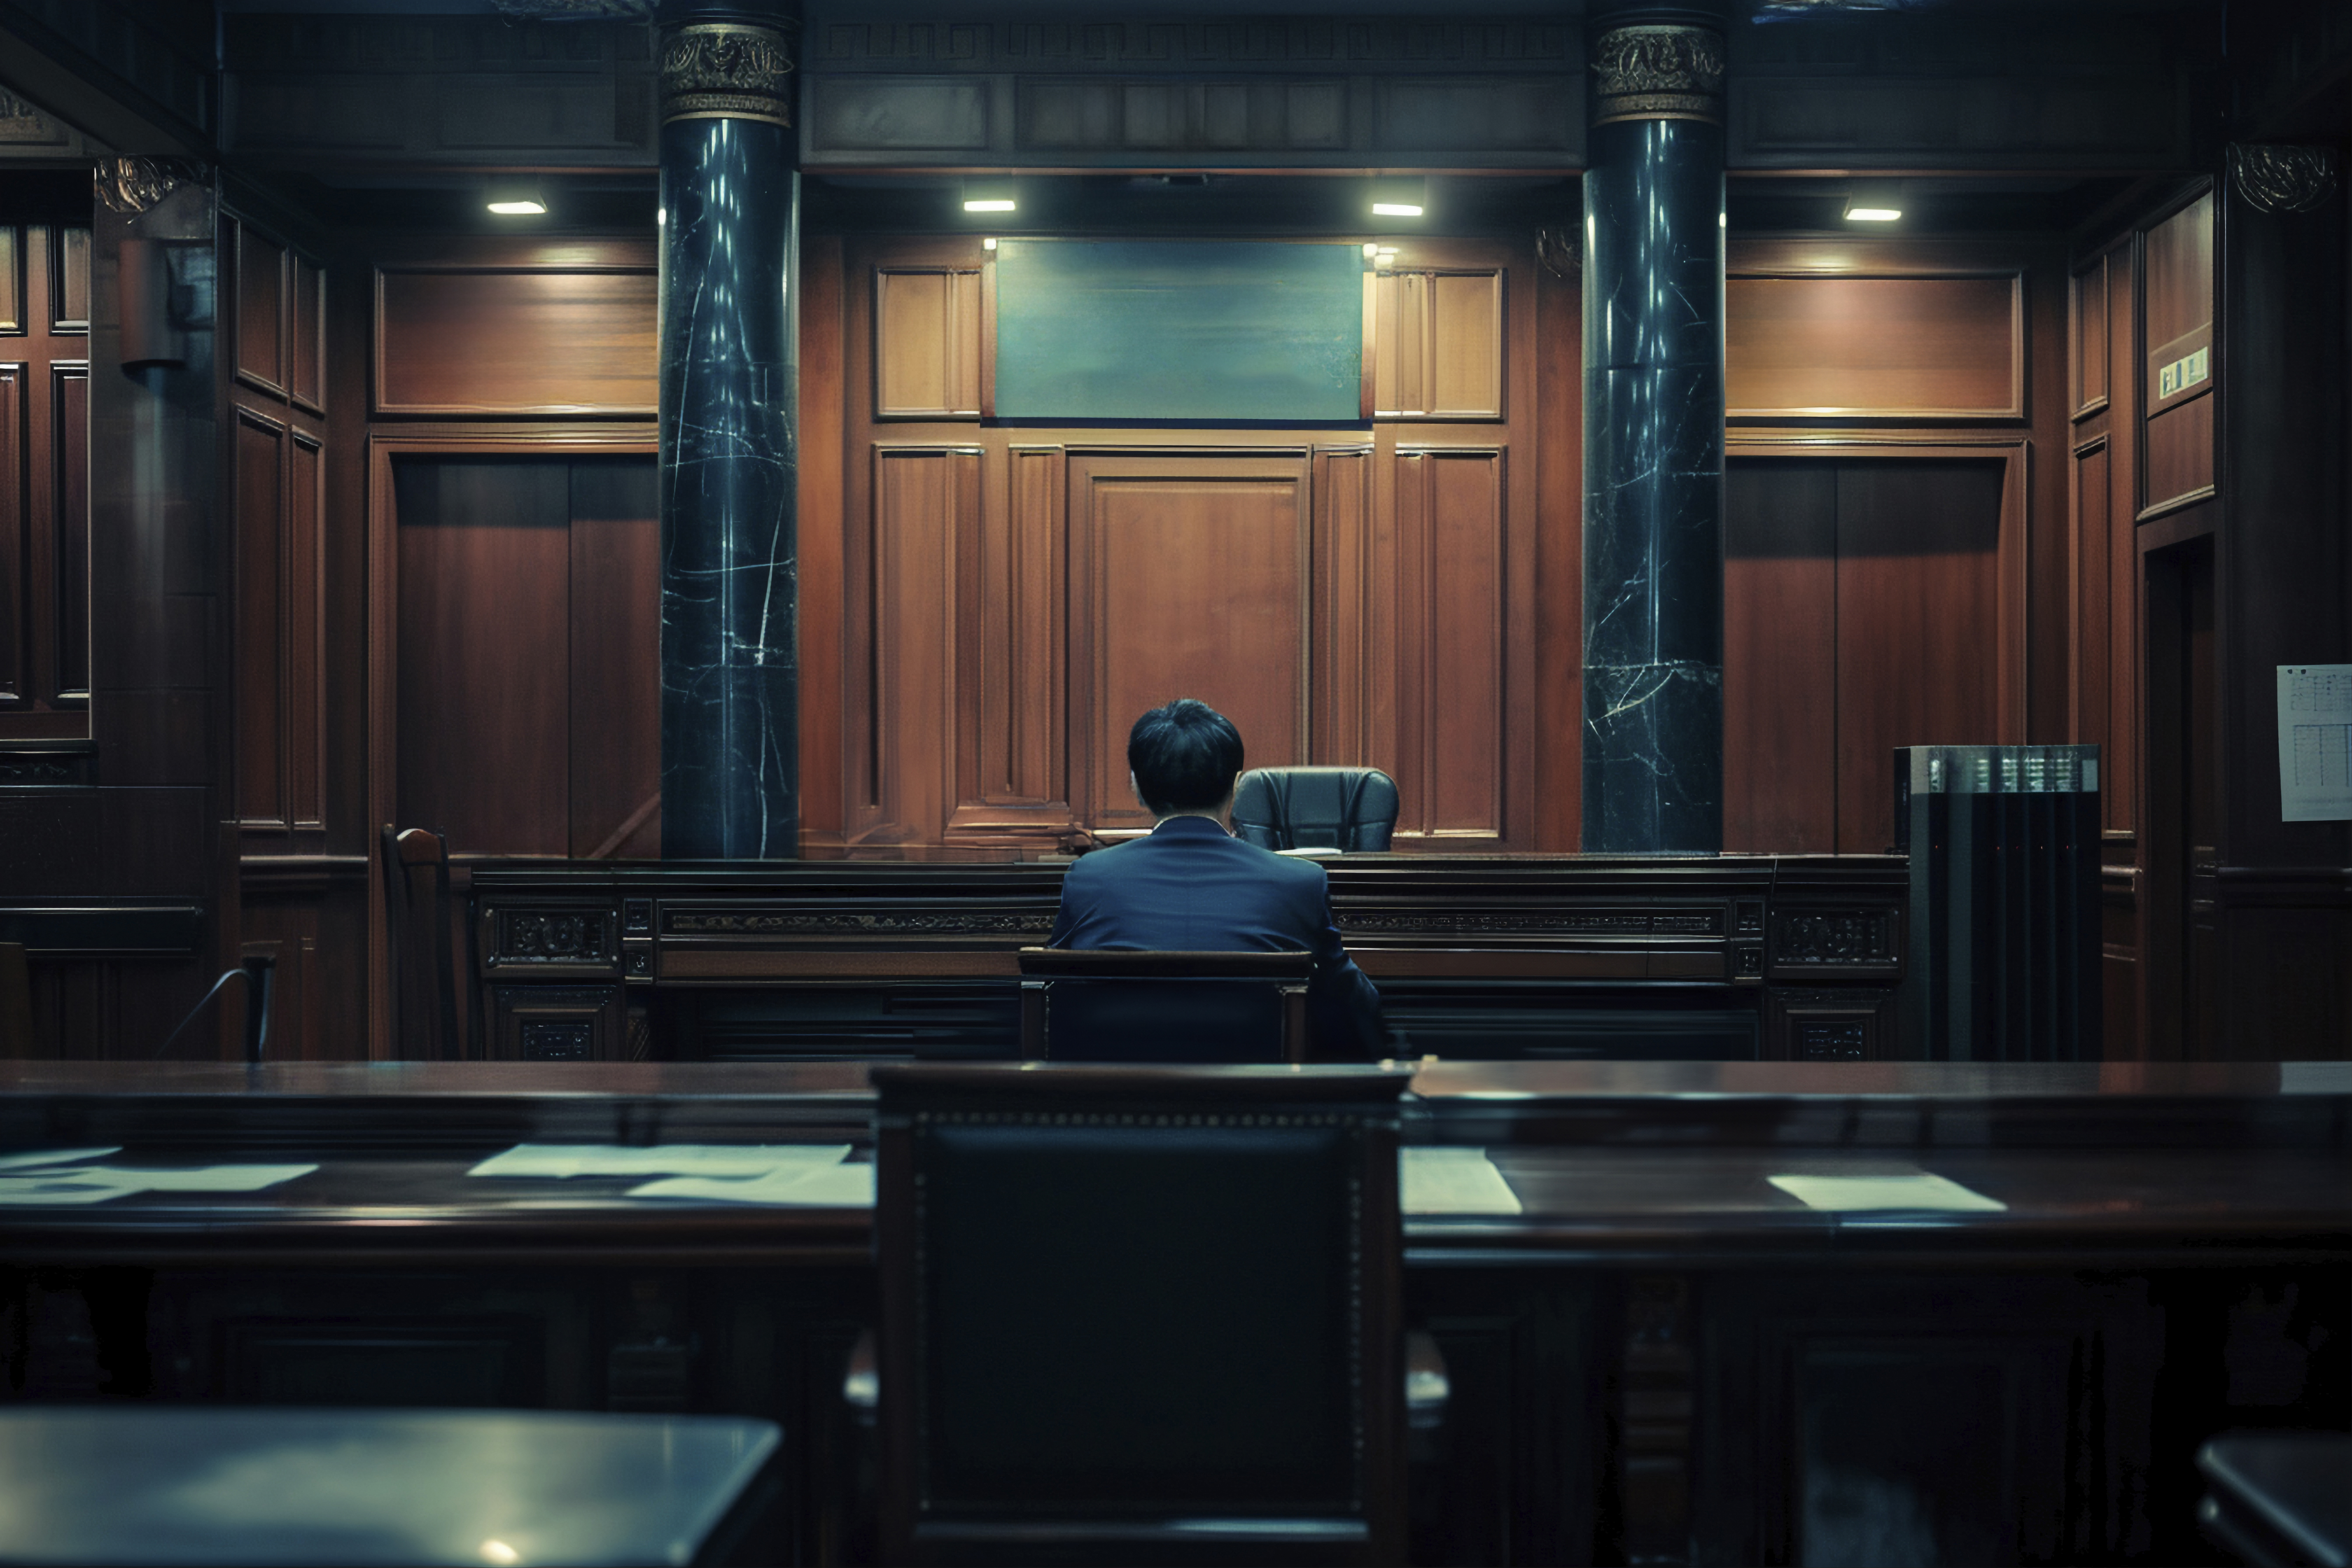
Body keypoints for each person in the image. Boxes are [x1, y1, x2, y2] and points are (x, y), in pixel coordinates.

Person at [1047, 698, 1388, 1057]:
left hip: (1122, 1099)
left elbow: (1056, 994)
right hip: (1268, 1099)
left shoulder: (1089, 877)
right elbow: (1354, 1007)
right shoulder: (1301, 881)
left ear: (1136, 786)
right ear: (1238, 785)